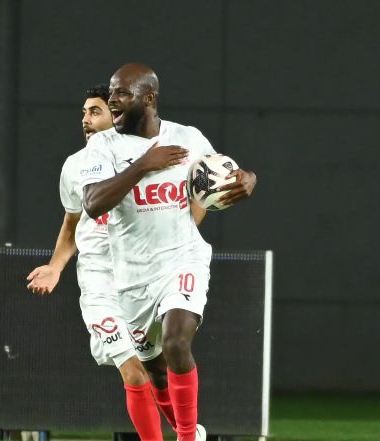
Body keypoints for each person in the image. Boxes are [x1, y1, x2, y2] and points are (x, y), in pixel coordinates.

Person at [80, 63, 257, 441]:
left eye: (122, 92)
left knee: (177, 341)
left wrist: (248, 179)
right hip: (132, 277)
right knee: (156, 371)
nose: (113, 99)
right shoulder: (103, 145)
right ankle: (185, 431)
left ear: (148, 98)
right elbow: (93, 203)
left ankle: (187, 436)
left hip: (183, 259)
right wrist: (144, 165)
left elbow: (222, 174)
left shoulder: (187, 138)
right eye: (111, 92)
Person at [26, 84, 188, 441]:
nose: (85, 119)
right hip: (98, 282)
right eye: (83, 113)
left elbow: (188, 204)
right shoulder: (74, 166)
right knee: (133, 371)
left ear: (116, 116)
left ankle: (187, 432)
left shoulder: (146, 158)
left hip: (141, 278)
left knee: (157, 370)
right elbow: (72, 223)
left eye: (95, 111)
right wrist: (55, 266)